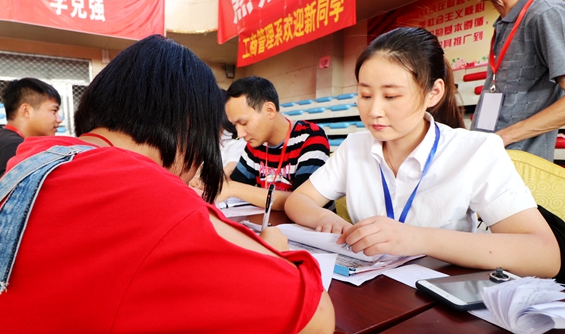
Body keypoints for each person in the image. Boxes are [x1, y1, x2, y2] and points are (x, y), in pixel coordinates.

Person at [0, 35, 334, 333]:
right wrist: (272, 252)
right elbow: (317, 318)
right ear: (190, 127)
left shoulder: (31, 161)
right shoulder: (146, 196)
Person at [285, 27, 560, 279]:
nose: (374, 111)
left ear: (433, 93)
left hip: (436, 298)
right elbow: (298, 201)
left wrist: (415, 238)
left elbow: (545, 254)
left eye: (391, 96)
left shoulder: (475, 151)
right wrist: (327, 220)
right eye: (365, 95)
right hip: (370, 287)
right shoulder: (355, 146)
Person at [471, 0, 565, 161]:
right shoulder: (504, 21)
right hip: (486, 156)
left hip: (519, 165)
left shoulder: (545, 12)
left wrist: (505, 137)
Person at [220, 76, 331, 210]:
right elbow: (236, 184)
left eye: (244, 123)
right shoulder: (255, 144)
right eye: (235, 125)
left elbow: (303, 201)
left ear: (270, 110)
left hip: (313, 227)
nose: (240, 134)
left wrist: (233, 188)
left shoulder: (310, 136)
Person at [0, 78, 62, 216]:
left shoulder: (0, 139)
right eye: (54, 111)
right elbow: (18, 208)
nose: (59, 119)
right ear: (26, 110)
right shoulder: (12, 146)